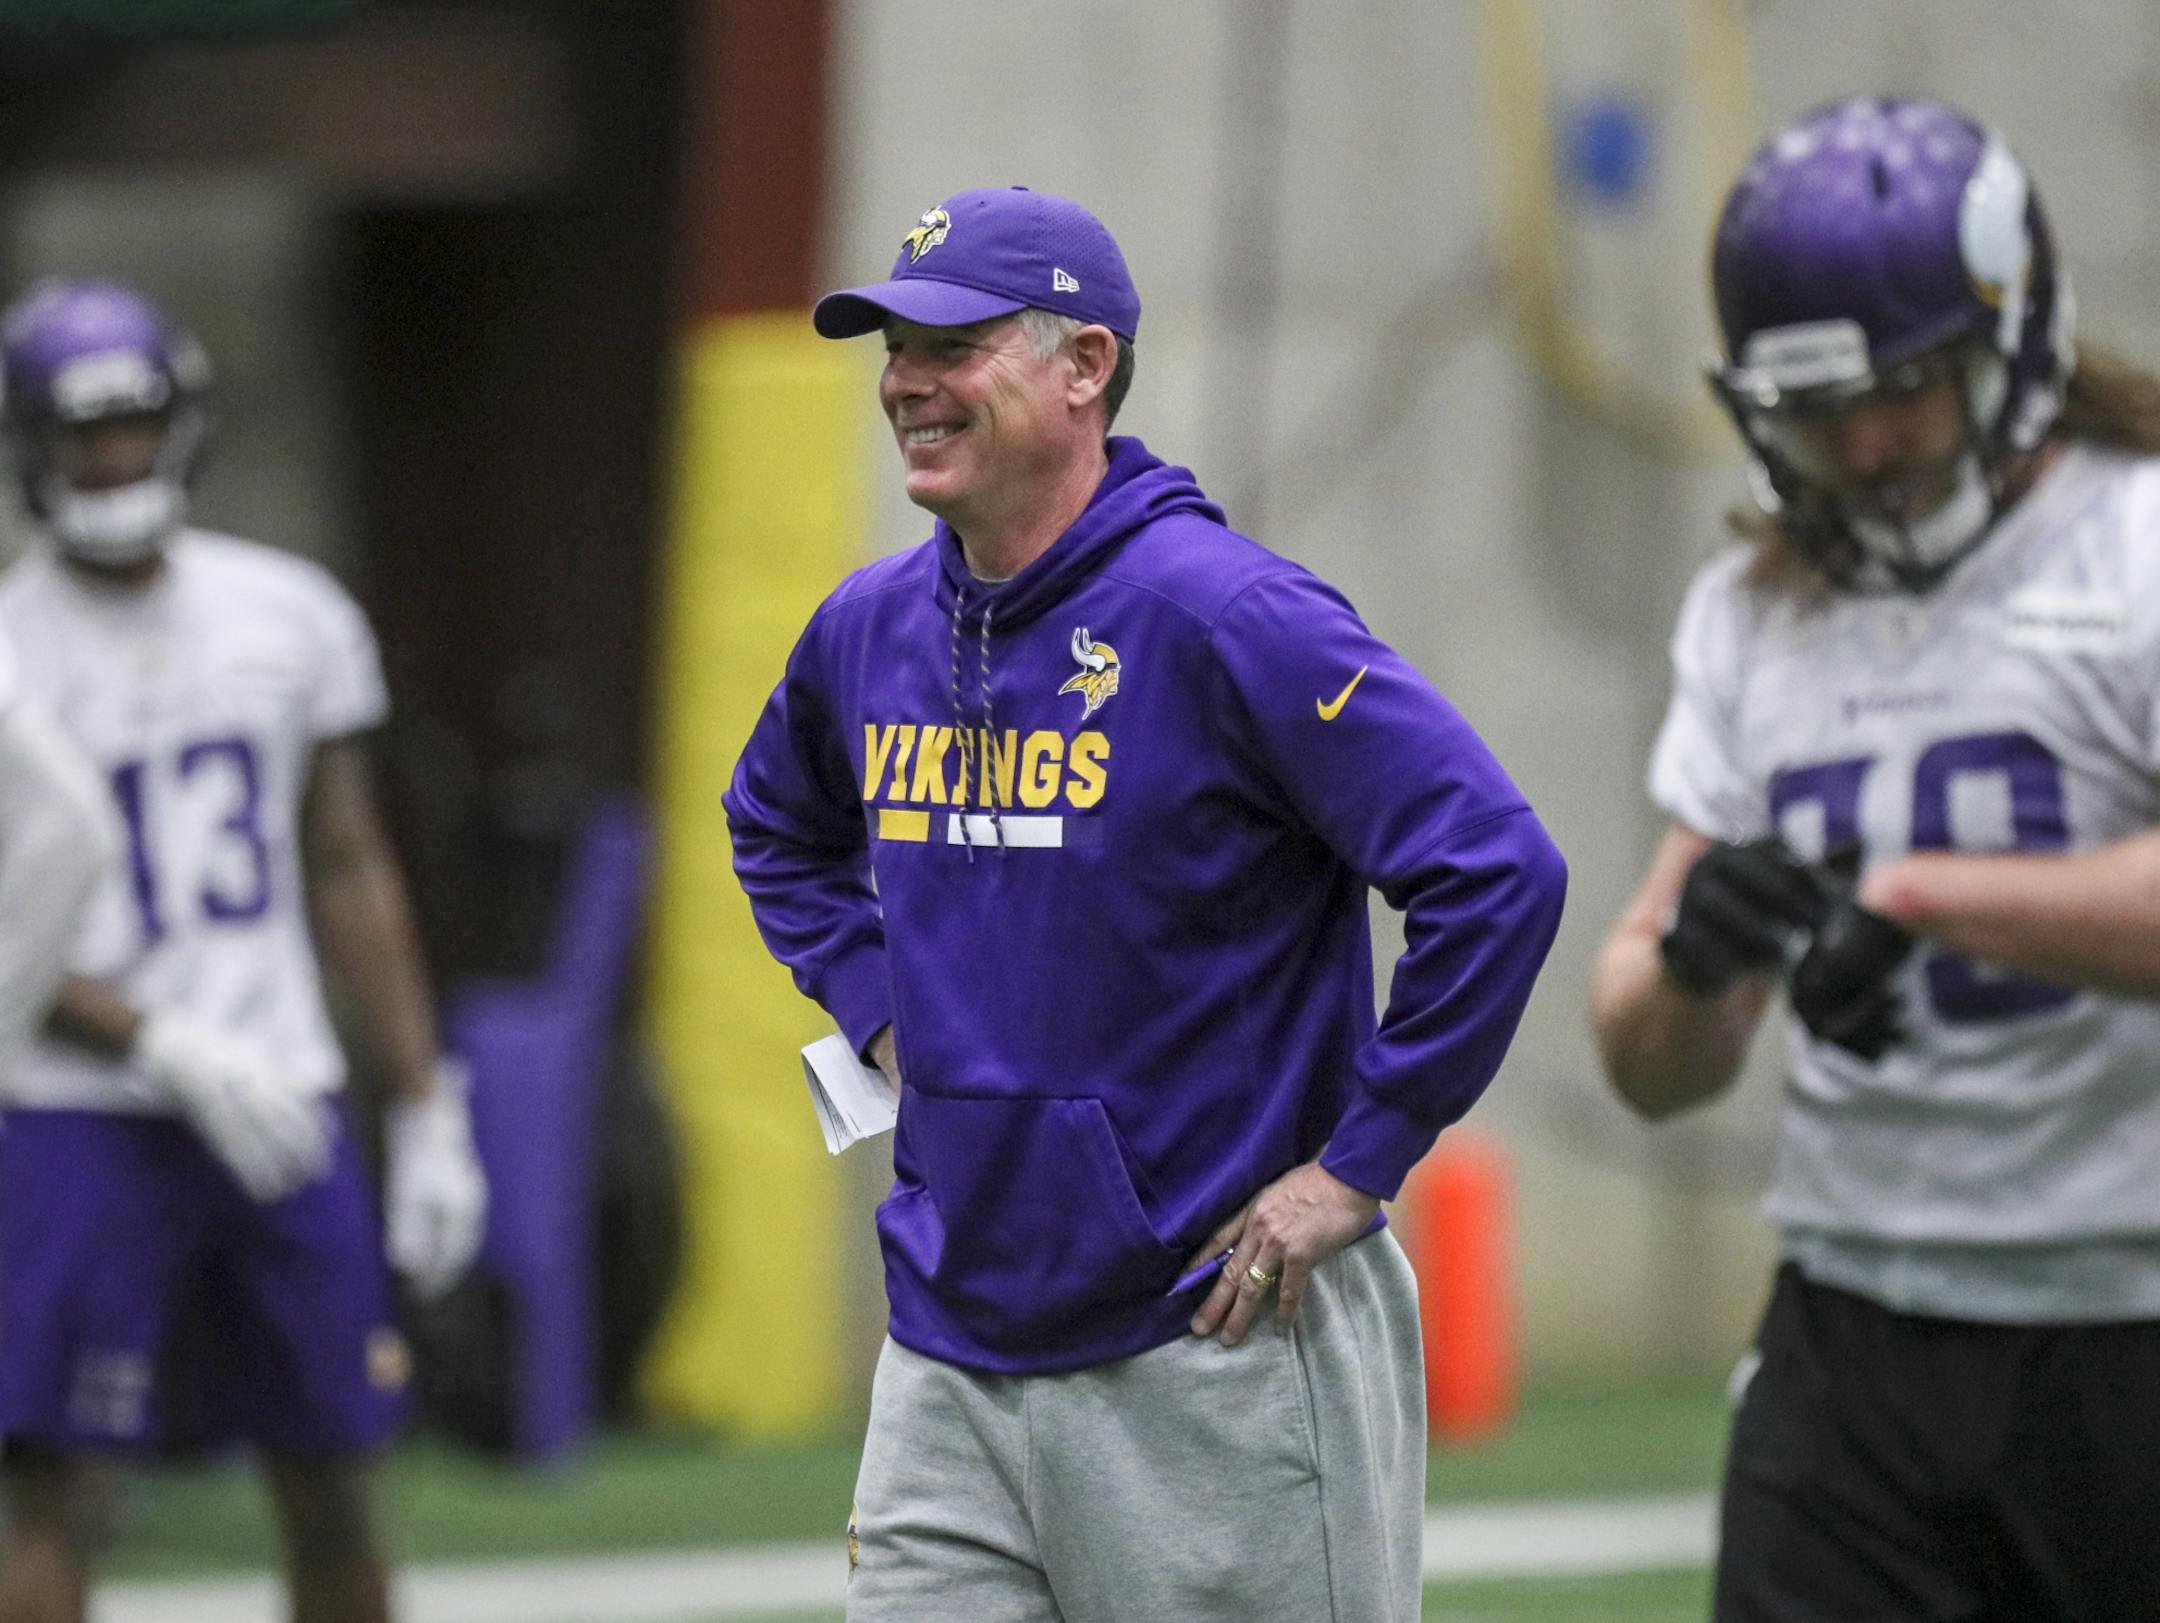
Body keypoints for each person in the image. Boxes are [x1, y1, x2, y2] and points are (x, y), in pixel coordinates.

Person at [726, 186, 1567, 1621]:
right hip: (948, 1351)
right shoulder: (868, 628)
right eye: (891, 346)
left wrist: (1361, 1165)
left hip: (1214, 1347)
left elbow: (1495, 869)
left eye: (952, 343)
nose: (906, 384)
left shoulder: (1227, 618)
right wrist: (880, 1017)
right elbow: (775, 825)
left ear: (1085, 366)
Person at [1590, 97, 2160, 1621]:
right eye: (1820, 404)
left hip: (2130, 1309)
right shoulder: (1753, 608)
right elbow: (1650, 1062)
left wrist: (1919, 897)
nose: (1862, 443)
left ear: (2018, 339)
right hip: (1859, 1329)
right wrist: (1701, 956)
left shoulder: (2137, 545)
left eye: (1905, 389)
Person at [0, 278, 488, 1623]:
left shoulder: (288, 613)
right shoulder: (8, 649)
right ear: (31, 444)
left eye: (131, 427)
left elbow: (346, 861)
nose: (110, 459)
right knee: (65, 1485)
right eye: (80, 434)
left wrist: (423, 1101)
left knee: (335, 1472)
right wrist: (158, 1042)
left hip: (281, 1098)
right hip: (78, 1112)